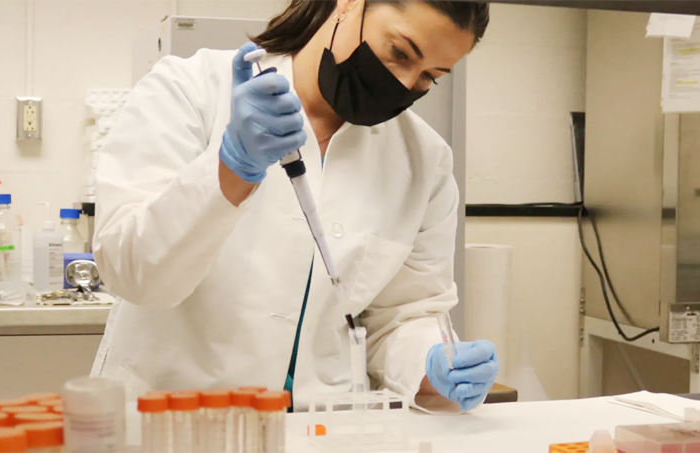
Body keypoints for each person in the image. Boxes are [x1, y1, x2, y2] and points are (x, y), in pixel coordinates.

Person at [91, 0, 498, 413]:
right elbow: (132, 272)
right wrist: (228, 170)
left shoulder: (424, 160)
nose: (405, 83)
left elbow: (400, 317)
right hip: (175, 421)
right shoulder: (189, 89)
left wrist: (430, 361)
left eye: (429, 77)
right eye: (400, 53)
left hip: (320, 428)